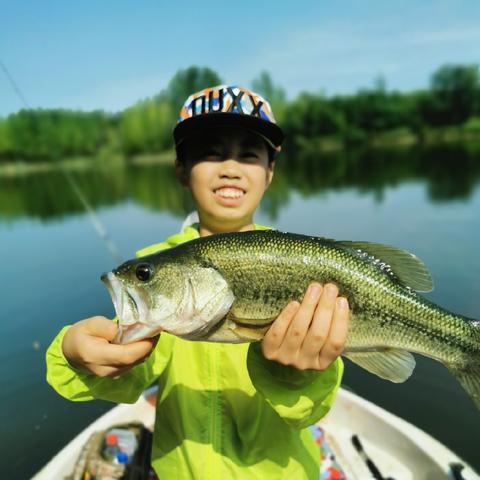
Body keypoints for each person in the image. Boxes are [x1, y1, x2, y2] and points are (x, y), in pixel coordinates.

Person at [46, 85, 350, 479]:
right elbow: (131, 375)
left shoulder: (298, 262)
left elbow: (313, 406)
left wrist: (296, 374)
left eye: (249, 154)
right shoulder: (159, 272)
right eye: (210, 152)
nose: (230, 167)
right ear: (181, 170)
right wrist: (75, 356)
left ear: (270, 173)